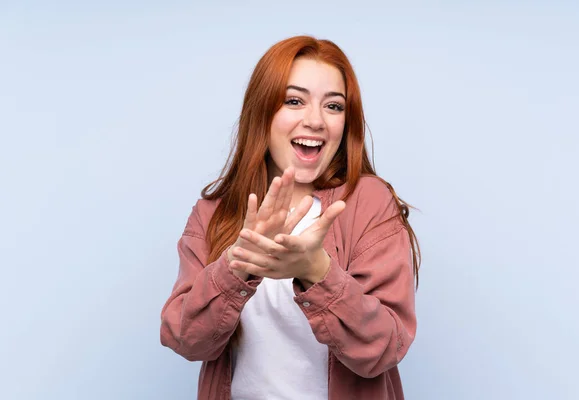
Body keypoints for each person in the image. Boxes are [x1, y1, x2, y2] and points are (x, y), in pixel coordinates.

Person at [160, 35, 421, 400]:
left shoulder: (369, 203)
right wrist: (237, 265)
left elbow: (384, 348)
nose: (315, 120)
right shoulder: (213, 215)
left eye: (333, 106)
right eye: (294, 101)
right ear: (262, 111)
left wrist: (316, 271)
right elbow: (185, 339)